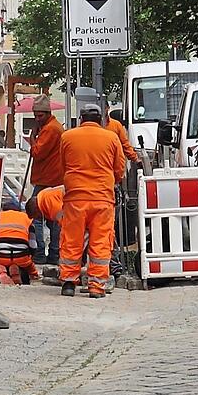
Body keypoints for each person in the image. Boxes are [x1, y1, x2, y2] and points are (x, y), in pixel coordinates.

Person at [59, 103, 124, 298]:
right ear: (101, 120)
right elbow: (119, 168)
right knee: (101, 241)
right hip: (102, 198)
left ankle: (69, 283)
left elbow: (63, 165)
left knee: (72, 239)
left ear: (81, 119)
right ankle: (96, 286)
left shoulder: (67, 137)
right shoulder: (112, 138)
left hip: (75, 197)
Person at [28, 94, 63, 265]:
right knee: (52, 218)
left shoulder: (51, 129)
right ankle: (54, 252)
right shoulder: (51, 127)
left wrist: (32, 138)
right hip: (50, 178)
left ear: (48, 112)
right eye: (35, 115)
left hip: (47, 180)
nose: (37, 119)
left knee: (37, 215)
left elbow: (37, 153)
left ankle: (41, 251)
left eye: (40, 116)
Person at [0, 202, 40, 284]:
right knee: (29, 264)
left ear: (3, 210)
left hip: (1, 255)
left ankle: (1, 271)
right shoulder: (27, 218)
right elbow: (33, 245)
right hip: (21, 257)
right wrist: (30, 256)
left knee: (0, 260)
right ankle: (32, 275)